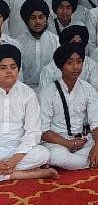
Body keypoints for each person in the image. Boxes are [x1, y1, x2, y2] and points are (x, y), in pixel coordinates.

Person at [40, 43, 98, 170]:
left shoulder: (88, 89)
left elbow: (97, 122)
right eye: (69, 63)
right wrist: (68, 143)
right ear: (61, 66)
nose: (76, 67)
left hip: (82, 140)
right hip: (58, 142)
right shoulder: (48, 93)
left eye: (79, 62)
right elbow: (44, 131)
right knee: (56, 156)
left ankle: (80, 161)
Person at [0, 44, 57, 182]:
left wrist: (15, 159)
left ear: (18, 69)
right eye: (3, 68)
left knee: (43, 154)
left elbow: (33, 131)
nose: (9, 71)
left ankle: (7, 171)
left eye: (13, 67)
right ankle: (19, 174)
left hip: (19, 148)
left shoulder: (28, 94)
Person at [18, 0, 59, 90]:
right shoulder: (18, 43)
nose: (37, 22)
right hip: (25, 91)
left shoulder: (56, 41)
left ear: (46, 19)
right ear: (26, 20)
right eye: (33, 18)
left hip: (50, 90)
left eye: (41, 17)